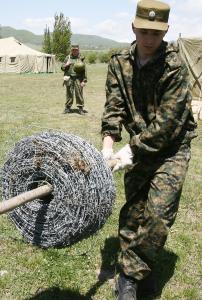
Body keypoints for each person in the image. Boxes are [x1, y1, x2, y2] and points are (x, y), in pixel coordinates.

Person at [100, 0, 197, 299]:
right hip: (137, 145)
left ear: (165, 30)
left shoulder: (175, 65)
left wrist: (127, 154)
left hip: (171, 149)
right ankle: (140, 273)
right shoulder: (119, 61)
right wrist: (106, 148)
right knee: (134, 214)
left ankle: (130, 275)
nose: (149, 38)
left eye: (155, 33)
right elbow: (114, 107)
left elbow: (167, 125)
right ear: (133, 27)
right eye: (143, 31)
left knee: (158, 216)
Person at [61, 44, 88, 115]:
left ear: (78, 50)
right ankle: (67, 108)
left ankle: (80, 108)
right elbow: (62, 68)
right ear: (71, 50)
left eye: (76, 50)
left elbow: (84, 70)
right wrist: (66, 64)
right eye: (73, 50)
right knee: (69, 93)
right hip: (69, 78)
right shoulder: (68, 57)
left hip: (78, 79)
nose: (75, 51)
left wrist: (84, 81)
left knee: (79, 93)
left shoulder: (81, 58)